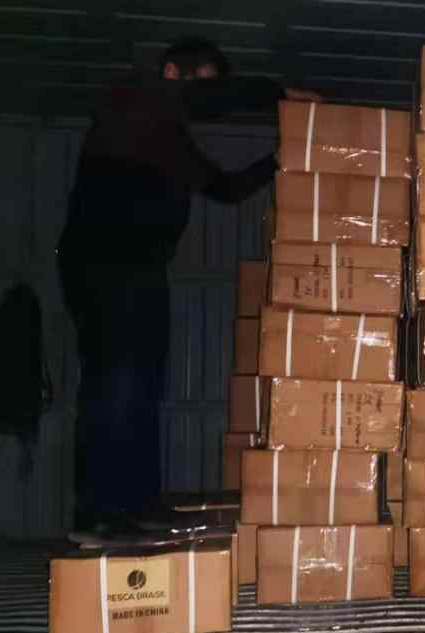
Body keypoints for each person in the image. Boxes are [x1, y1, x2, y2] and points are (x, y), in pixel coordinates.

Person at [57, 37, 319, 532]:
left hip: (140, 269)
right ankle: (98, 511)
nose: (208, 99)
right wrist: (278, 93)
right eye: (204, 83)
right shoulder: (133, 98)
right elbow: (214, 98)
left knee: (142, 386)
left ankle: (137, 504)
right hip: (105, 264)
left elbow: (225, 189)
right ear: (172, 72)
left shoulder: (167, 139)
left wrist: (281, 157)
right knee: (115, 386)